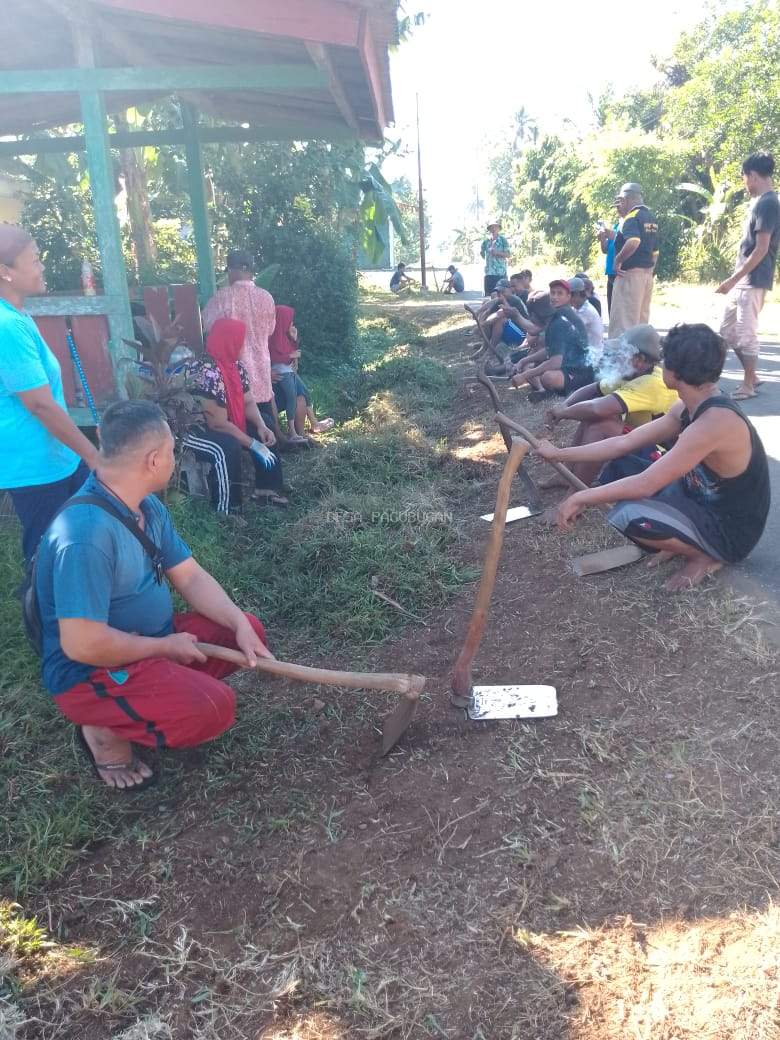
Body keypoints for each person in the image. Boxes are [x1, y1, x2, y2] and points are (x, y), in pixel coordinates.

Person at [35, 399, 273, 790]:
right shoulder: (84, 535)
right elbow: (82, 644)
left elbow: (191, 577)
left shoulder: (144, 507)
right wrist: (163, 649)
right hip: (92, 670)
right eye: (171, 451)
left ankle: (155, 691)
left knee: (247, 630)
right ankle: (102, 729)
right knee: (214, 708)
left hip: (152, 641)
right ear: (152, 461)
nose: (174, 459)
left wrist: (235, 623)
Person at [534, 324, 770, 591]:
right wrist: (558, 454)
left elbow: (646, 483)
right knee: (625, 481)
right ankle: (689, 539)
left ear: (676, 372)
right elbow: (625, 442)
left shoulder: (713, 421)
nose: (661, 364)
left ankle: (706, 554)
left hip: (732, 530)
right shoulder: (689, 405)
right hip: (702, 500)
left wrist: (580, 496)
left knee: (629, 514)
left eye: (665, 359)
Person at [0, 225, 99, 563]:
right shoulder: (6, 326)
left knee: (80, 542)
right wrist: (93, 454)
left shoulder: (18, 316)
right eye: (35, 260)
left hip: (58, 456)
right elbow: (40, 405)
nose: (42, 267)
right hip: (36, 465)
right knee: (49, 557)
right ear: (5, 273)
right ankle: (44, 613)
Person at [544, 324, 678, 485]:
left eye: (622, 352)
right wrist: (564, 406)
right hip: (644, 443)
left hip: (662, 459)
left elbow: (596, 409)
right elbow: (594, 388)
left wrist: (563, 413)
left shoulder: (652, 383)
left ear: (640, 360)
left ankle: (578, 492)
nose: (616, 356)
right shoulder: (633, 373)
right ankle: (567, 475)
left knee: (603, 425)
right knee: (593, 418)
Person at [184, 318, 288, 511]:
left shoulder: (236, 366)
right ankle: (227, 509)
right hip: (196, 429)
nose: (244, 346)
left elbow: (248, 401)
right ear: (229, 341)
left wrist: (261, 427)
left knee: (265, 421)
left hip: (225, 421)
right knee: (226, 446)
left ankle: (266, 490)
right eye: (241, 341)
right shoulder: (206, 371)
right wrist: (253, 444)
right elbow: (217, 424)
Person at [717, 153, 780, 400]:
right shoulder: (761, 202)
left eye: (744, 178)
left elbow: (762, 248)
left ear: (752, 175)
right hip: (743, 278)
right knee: (727, 330)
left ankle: (748, 385)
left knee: (746, 333)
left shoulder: (768, 204)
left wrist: (734, 278)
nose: (745, 183)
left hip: (753, 279)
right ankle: (751, 376)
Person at [202, 250, 282, 444]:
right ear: (251, 271)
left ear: (231, 270)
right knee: (264, 419)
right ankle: (274, 446)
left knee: (245, 424)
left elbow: (208, 327)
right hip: (261, 366)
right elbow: (270, 330)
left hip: (234, 372)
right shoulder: (266, 297)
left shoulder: (222, 297)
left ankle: (255, 455)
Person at [510, 279, 592, 399]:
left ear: (538, 314)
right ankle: (547, 390)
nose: (554, 297)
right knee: (535, 367)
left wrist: (525, 375)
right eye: (552, 293)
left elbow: (555, 361)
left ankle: (559, 391)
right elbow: (551, 349)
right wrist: (524, 361)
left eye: (559, 293)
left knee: (547, 377)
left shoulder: (558, 324)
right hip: (576, 364)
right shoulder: (559, 316)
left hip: (580, 371)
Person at [268, 305, 334, 440]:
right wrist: (291, 357)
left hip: (287, 373)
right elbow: (278, 357)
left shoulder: (284, 335)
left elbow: (293, 361)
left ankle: (304, 430)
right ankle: (299, 429)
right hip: (276, 380)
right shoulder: (271, 337)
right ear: (282, 320)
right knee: (299, 393)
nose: (292, 323)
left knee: (303, 393)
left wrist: (293, 338)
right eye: (289, 320)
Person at [608, 184, 659, 337]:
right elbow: (655, 252)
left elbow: (633, 241)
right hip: (646, 277)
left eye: (620, 202)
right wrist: (648, 272)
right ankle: (640, 359)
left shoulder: (632, 217)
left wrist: (617, 260)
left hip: (629, 276)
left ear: (625, 199)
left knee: (623, 326)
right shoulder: (651, 218)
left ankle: (622, 360)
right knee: (640, 326)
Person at [569, 276, 603, 350]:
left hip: (591, 354)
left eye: (569, 295)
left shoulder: (586, 311)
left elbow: (568, 331)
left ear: (577, 294)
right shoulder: (578, 308)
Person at [596, 213, 620, 314]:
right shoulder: (615, 226)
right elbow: (605, 249)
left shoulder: (627, 226)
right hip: (610, 271)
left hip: (620, 272)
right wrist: (602, 239)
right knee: (611, 306)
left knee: (619, 307)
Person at [480, 221, 511, 296]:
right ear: (489, 229)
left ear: (499, 229)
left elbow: (508, 254)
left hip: (500, 273)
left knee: (501, 294)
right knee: (489, 294)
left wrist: (497, 253)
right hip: (489, 272)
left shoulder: (503, 240)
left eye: (495, 227)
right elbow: (482, 253)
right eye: (491, 227)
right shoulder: (486, 242)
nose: (493, 229)